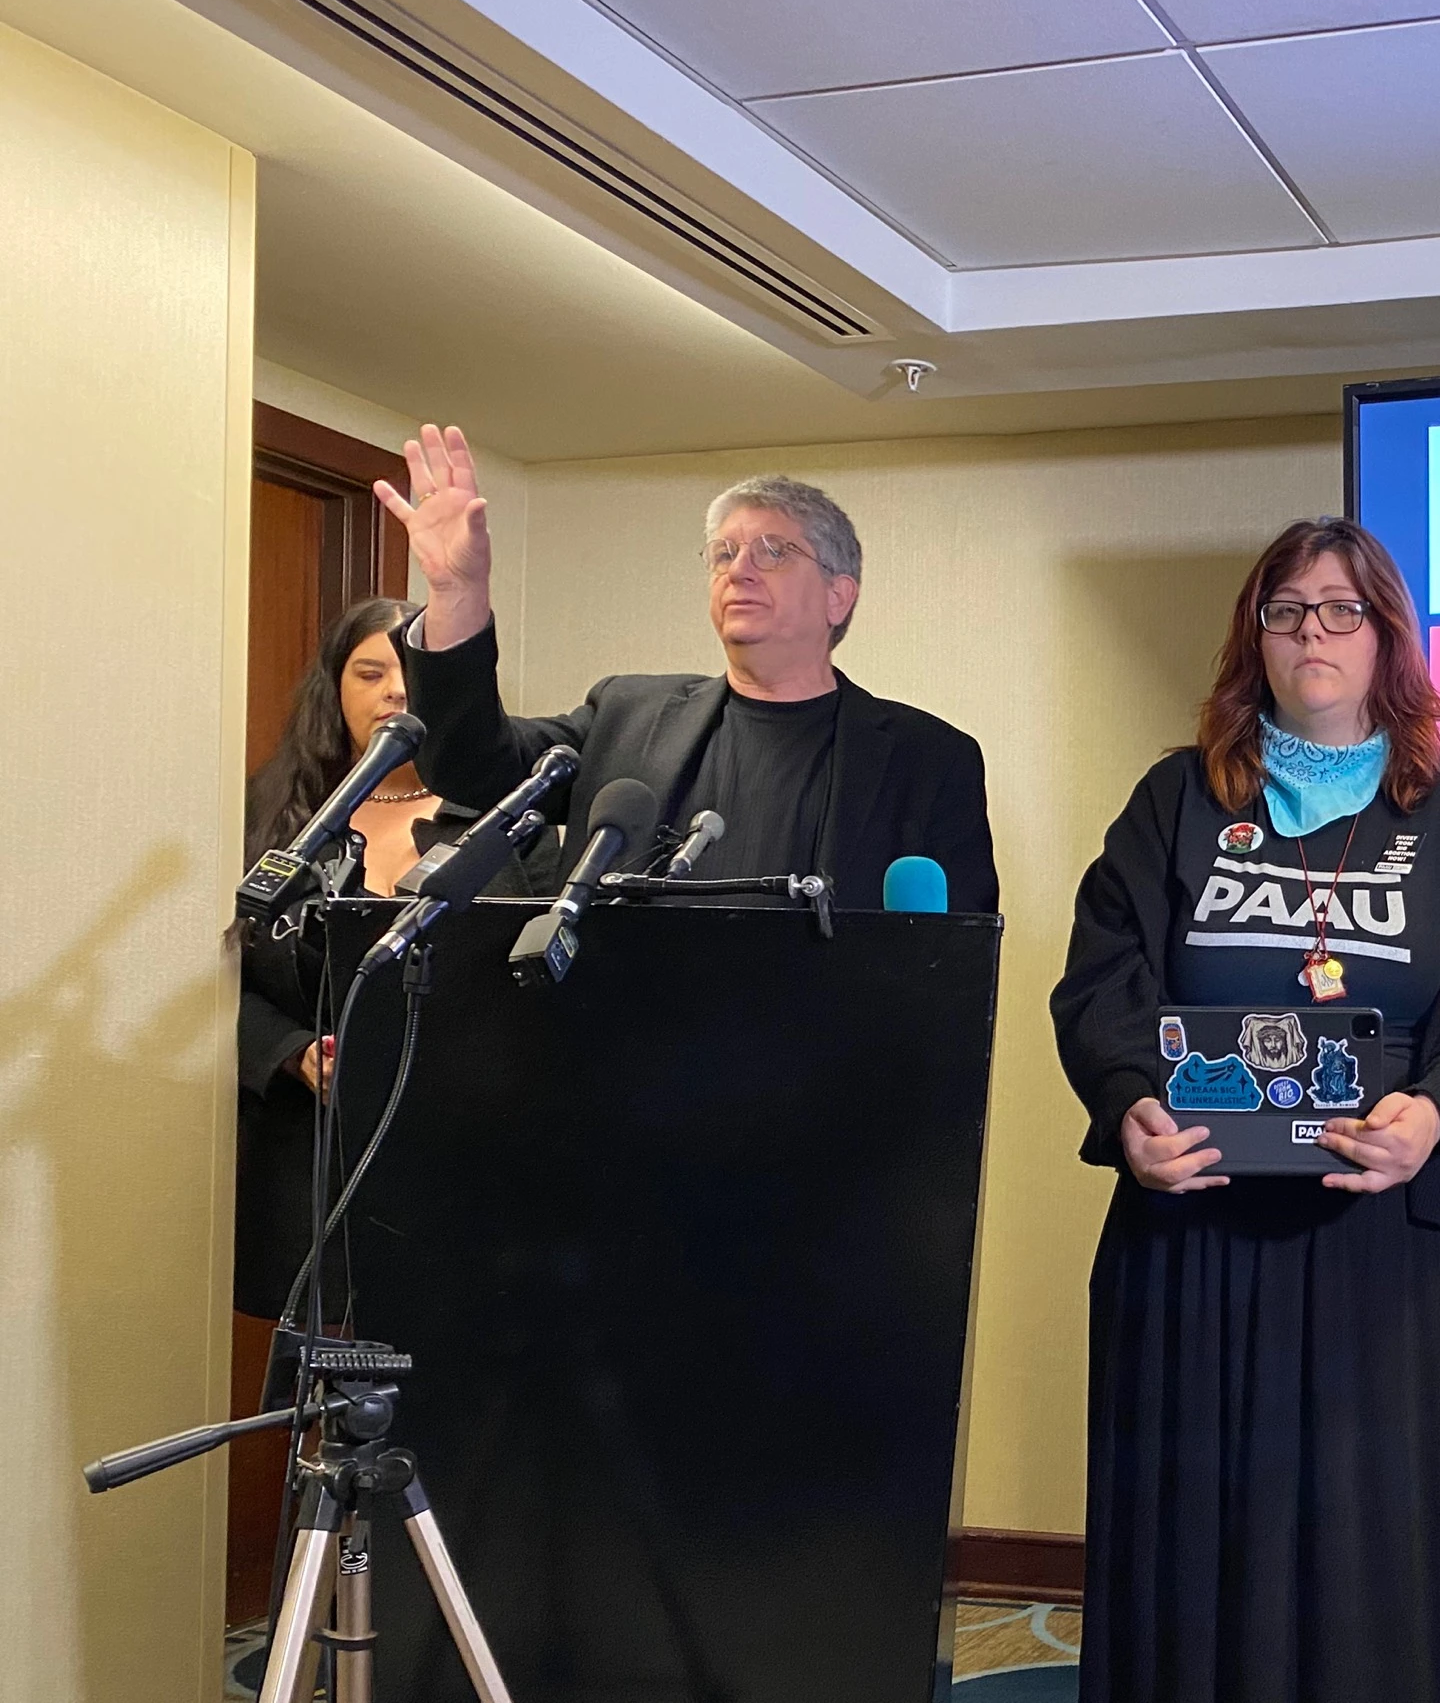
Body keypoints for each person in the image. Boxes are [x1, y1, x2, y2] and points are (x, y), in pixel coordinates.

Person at [1051, 517, 1440, 1703]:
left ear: (1389, 640)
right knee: (1197, 1551)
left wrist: (1435, 1110)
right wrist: (1131, 1104)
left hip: (1383, 1250)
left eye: (1345, 610)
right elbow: (1102, 981)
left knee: (1374, 1563)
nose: (1316, 633)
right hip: (1198, 1244)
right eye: (1288, 610)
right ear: (1253, 640)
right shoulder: (1176, 801)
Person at [375, 423, 998, 913]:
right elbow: (468, 767)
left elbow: (952, 966)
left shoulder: (930, 760)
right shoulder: (626, 715)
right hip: (624, 1058)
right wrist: (458, 593)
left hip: (814, 1068)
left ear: (840, 595)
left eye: (774, 552)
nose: (739, 569)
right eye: (723, 553)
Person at [235, 595, 556, 1323]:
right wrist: (291, 1053)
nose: (394, 693)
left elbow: (544, 975)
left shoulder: (509, 816)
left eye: (411, 673)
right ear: (334, 689)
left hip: (466, 1148)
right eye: (369, 673)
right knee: (319, 1388)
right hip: (314, 1155)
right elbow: (217, 987)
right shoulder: (273, 814)